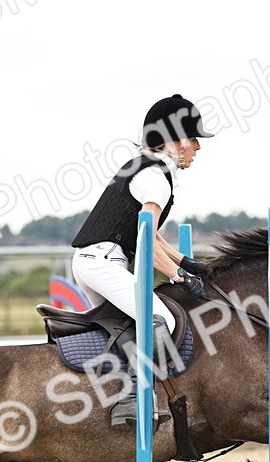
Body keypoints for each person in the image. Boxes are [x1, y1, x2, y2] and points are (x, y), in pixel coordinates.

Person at [70, 94, 214, 428]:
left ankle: (110, 391)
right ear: (174, 141)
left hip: (94, 262)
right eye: (193, 139)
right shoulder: (155, 177)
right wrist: (177, 275)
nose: (197, 147)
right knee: (160, 318)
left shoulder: (145, 168)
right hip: (103, 263)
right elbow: (144, 238)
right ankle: (132, 399)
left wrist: (187, 262)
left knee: (128, 327)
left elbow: (151, 233)